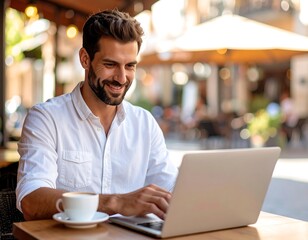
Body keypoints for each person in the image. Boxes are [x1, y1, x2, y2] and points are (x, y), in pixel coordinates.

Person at [16, 9, 178, 221]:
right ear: (85, 59)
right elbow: (31, 200)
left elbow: (173, 192)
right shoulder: (46, 119)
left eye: (130, 66)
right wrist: (115, 202)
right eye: (110, 65)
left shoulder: (144, 123)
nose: (122, 78)